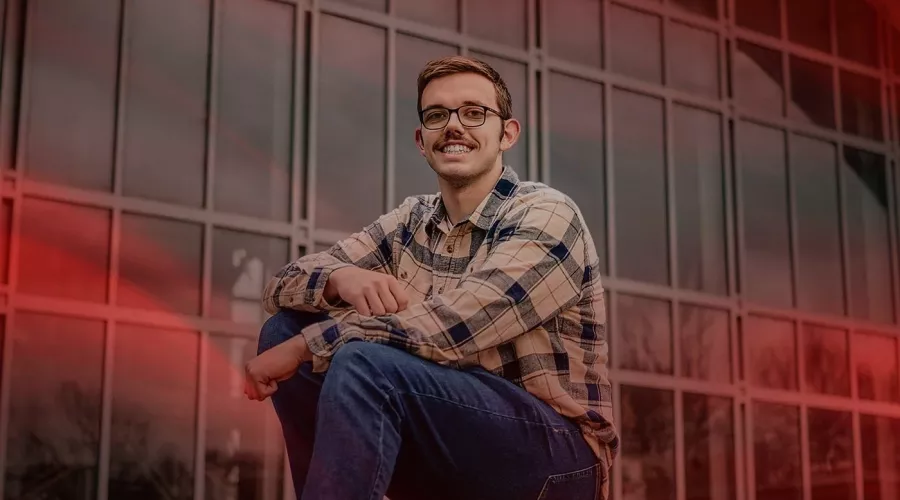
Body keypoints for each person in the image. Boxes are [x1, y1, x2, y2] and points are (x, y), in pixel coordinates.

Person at [244, 55, 617, 500]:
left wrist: (308, 345)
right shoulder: (410, 221)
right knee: (281, 329)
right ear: (422, 141)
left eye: (474, 113)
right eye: (438, 115)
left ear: (507, 133)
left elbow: (458, 324)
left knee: (358, 361)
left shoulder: (547, 213)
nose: (454, 126)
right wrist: (341, 279)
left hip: (556, 461)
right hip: (449, 439)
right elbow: (281, 286)